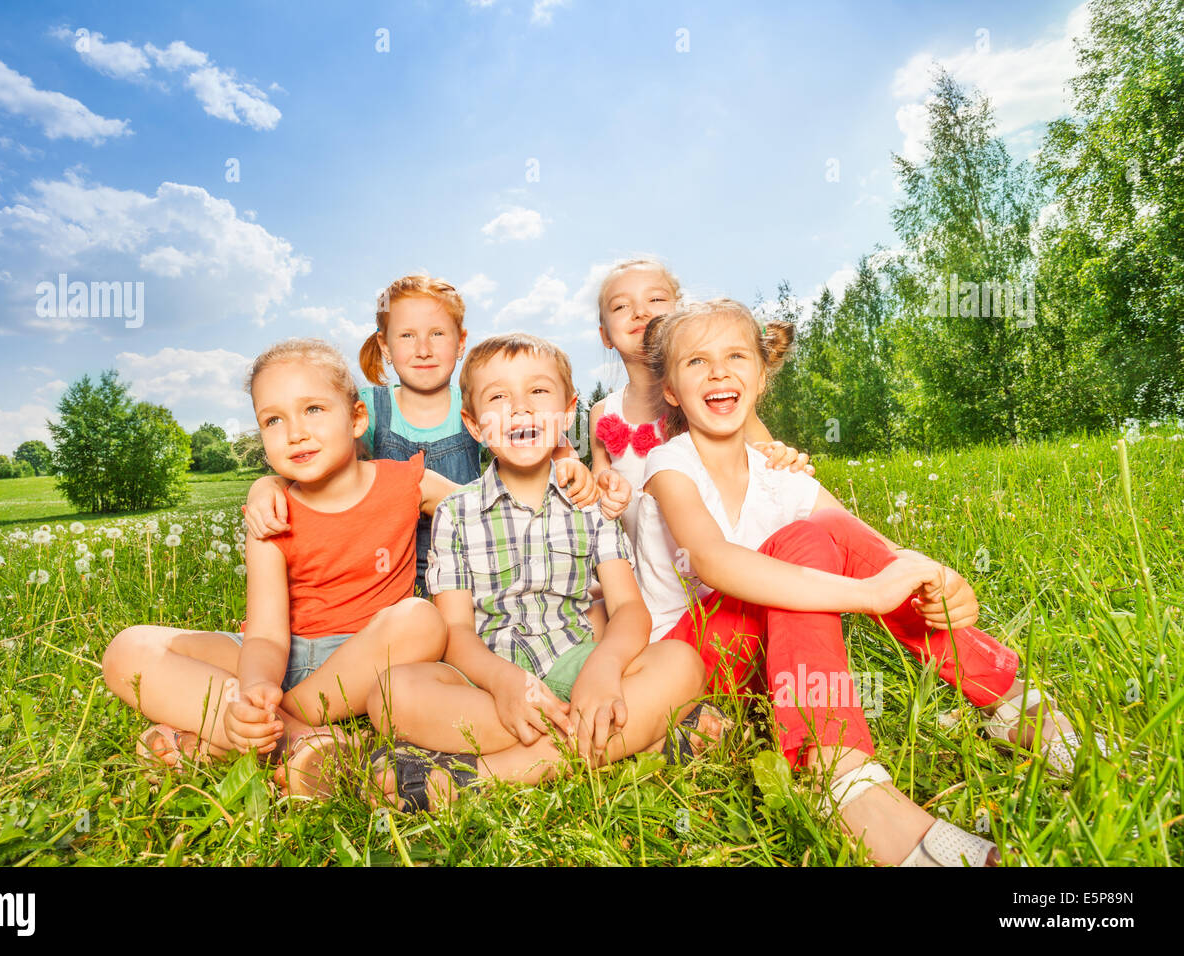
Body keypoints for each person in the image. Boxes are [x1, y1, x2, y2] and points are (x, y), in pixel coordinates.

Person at [634, 298, 1103, 866]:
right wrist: (867, 596)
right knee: (806, 543)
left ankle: (1014, 701)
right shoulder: (669, 464)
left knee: (830, 528)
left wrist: (934, 578)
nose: (718, 372)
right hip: (691, 663)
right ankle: (846, 783)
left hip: (767, 665)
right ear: (672, 392)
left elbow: (867, 548)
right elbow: (713, 560)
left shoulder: (781, 478)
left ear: (760, 377)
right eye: (696, 363)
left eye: (735, 356)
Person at [362, 333, 726, 811]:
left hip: (576, 665)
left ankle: (480, 778)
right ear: (473, 424)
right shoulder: (455, 512)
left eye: (538, 392)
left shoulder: (590, 502)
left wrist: (604, 668)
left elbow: (628, 608)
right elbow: (455, 631)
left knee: (681, 663)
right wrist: (506, 683)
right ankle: (635, 742)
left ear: (568, 411)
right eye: (498, 397)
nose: (520, 408)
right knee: (390, 695)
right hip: (488, 686)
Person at [102, 338, 454, 797]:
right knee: (127, 650)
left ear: (357, 418)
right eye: (273, 419)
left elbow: (489, 506)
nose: (295, 433)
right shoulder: (269, 513)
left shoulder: (407, 482)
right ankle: (283, 735)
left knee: (420, 619)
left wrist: (566, 464)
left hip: (361, 661)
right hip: (277, 656)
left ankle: (240, 737)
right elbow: (267, 634)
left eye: (313, 409)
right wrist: (255, 688)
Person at [241, 274, 619, 589]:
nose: (423, 349)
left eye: (437, 334)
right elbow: (318, 463)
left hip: (474, 556)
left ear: (461, 343)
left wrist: (572, 467)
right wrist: (266, 486)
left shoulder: (481, 404)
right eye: (406, 336)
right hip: (387, 569)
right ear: (385, 347)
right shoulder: (370, 408)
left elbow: (546, 440)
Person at [587, 257, 812, 543]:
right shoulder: (603, 412)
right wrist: (601, 488)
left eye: (655, 299)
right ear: (605, 334)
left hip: (728, 551)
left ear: (680, 314)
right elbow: (598, 485)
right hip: (651, 568)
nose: (640, 312)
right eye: (621, 306)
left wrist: (781, 455)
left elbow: (764, 454)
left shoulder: (712, 399)